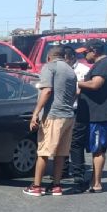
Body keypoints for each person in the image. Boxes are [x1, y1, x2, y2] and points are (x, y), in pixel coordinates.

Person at [24, 45, 77, 197]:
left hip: (53, 115)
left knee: (44, 151)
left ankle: (36, 186)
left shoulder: (49, 67)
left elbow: (46, 91)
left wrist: (35, 114)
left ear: (48, 57)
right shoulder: (70, 70)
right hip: (68, 115)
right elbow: (74, 94)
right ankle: (56, 186)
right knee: (61, 153)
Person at [77, 40, 107, 193]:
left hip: (100, 115)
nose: (83, 56)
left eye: (84, 52)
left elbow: (96, 84)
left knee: (98, 149)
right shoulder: (100, 64)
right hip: (95, 114)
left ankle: (96, 184)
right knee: (95, 148)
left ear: (94, 51)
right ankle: (94, 180)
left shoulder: (105, 64)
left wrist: (77, 83)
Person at [66, 47, 91, 190]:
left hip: (78, 109)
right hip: (64, 110)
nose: (65, 62)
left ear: (72, 57)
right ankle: (62, 171)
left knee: (75, 142)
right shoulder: (60, 69)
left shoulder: (84, 70)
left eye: (67, 59)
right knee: (62, 141)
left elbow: (82, 90)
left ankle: (78, 174)